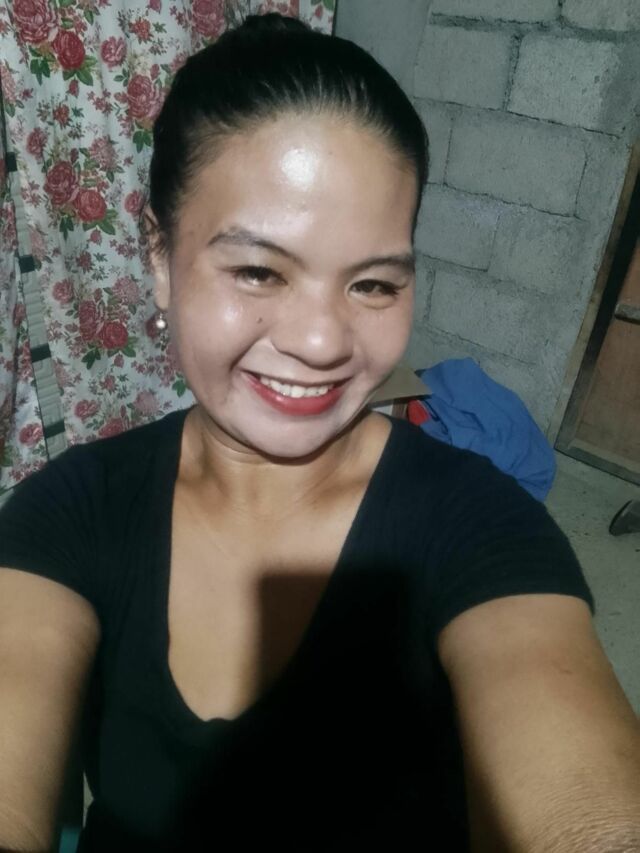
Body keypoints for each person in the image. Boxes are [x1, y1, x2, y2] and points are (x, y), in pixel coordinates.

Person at [1, 13, 639, 853]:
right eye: (258, 270)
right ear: (159, 256)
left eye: (373, 285)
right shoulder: (71, 510)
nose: (321, 341)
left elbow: (581, 797)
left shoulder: (479, 525)